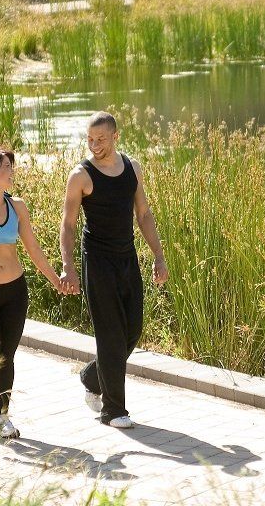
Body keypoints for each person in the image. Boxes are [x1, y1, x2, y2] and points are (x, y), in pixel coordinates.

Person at [0, 146, 77, 440]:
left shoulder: (17, 206)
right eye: (8, 167)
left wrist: (54, 280)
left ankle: (1, 416)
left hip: (15, 291)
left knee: (7, 355)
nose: (12, 172)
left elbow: (33, 249)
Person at [60, 111, 168, 429]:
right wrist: (68, 266)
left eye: (101, 139)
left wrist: (159, 256)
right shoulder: (81, 175)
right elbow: (67, 225)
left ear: (116, 136)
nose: (94, 145)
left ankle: (93, 378)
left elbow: (144, 214)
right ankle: (113, 410)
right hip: (97, 260)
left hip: (127, 257)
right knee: (110, 336)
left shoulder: (132, 168)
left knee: (132, 330)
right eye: (90, 139)